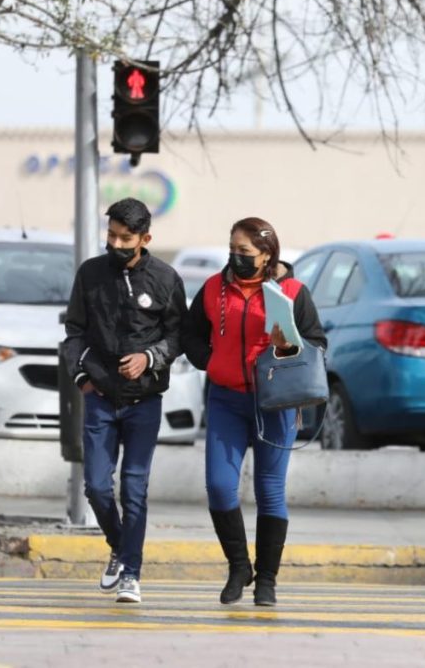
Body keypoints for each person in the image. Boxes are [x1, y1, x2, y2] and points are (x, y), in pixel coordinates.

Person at [182, 217, 326, 606]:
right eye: (232, 250)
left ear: (267, 255)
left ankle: (266, 579)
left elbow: (317, 342)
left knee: (270, 490)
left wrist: (287, 346)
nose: (236, 258)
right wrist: (210, 360)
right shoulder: (214, 288)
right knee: (219, 485)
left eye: (244, 252)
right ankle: (238, 566)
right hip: (226, 399)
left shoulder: (293, 292)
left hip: (275, 402)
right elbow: (190, 333)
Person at [64, 197, 187, 604]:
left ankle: (131, 572)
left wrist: (149, 358)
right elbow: (74, 333)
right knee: (97, 487)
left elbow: (177, 336)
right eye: (111, 235)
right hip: (99, 399)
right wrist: (84, 377)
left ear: (145, 238)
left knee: (134, 488)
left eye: (125, 237)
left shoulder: (166, 279)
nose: (116, 243)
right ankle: (120, 546)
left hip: (144, 402)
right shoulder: (91, 274)